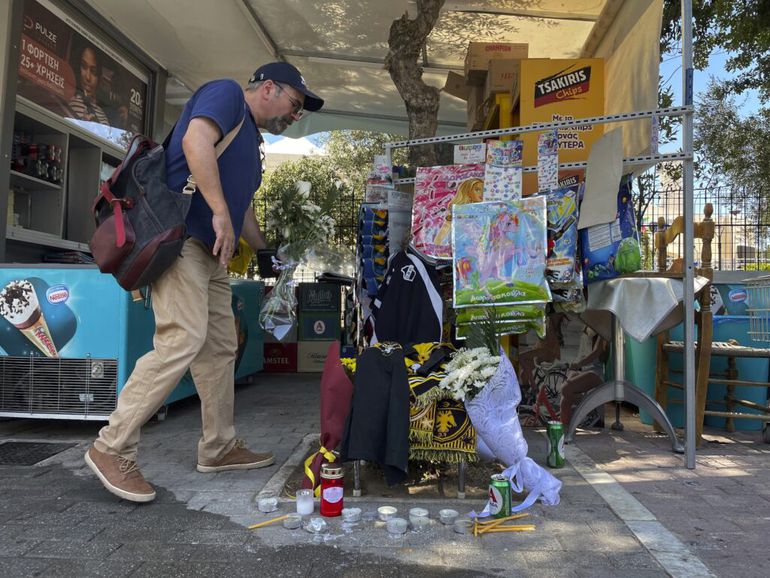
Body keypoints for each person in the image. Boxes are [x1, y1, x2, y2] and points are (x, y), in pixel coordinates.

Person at [85, 62, 324, 503]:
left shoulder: (251, 140)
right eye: (294, 104)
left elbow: (241, 206)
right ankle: (111, 447)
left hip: (212, 254)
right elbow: (196, 142)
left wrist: (268, 248)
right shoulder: (226, 94)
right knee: (183, 339)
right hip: (182, 242)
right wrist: (217, 213)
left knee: (219, 348)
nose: (296, 116)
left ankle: (218, 447)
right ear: (268, 88)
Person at [559, 323, 609, 427]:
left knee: (566, 389)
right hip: (583, 369)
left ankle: (591, 412)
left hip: (595, 371)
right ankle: (564, 431)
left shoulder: (602, 329)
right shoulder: (587, 324)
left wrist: (579, 364)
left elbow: (597, 352)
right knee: (564, 399)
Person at [68, 45, 110, 125]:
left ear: (99, 79)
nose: (88, 77)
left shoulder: (103, 116)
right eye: (83, 66)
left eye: (93, 71)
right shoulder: (70, 103)